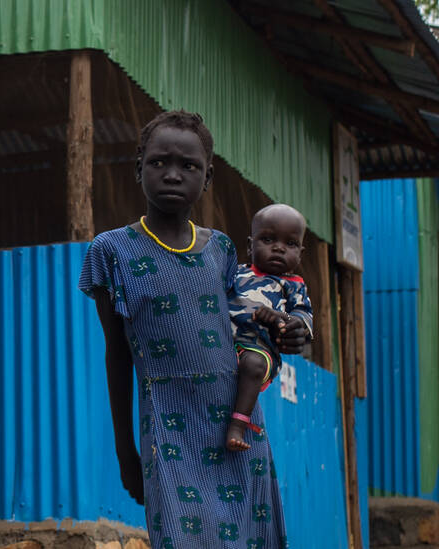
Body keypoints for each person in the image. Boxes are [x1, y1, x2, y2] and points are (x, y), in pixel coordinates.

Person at [79, 110, 302, 549]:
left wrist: (289, 333)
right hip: (169, 431)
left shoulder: (221, 249)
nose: (173, 175)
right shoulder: (112, 251)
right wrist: (127, 453)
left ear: (208, 175)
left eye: (189, 166)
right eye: (159, 162)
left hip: (237, 429)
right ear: (138, 166)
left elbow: (247, 327)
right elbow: (118, 355)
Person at [224, 204, 314, 451]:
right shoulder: (236, 274)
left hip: (259, 351)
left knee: (252, 365)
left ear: (300, 254)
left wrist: (278, 317)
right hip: (224, 343)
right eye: (268, 239)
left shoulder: (295, 287)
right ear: (250, 246)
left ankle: (238, 426)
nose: (278, 248)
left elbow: (302, 320)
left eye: (290, 244)